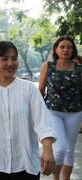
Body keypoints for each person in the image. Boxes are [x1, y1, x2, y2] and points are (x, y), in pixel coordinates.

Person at [0, 40, 56, 180]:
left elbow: (43, 123)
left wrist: (48, 150)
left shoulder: (29, 90)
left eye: (14, 58)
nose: (10, 63)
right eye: (4, 59)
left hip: (25, 165)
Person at [38, 36, 82, 180]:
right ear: (56, 49)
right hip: (53, 112)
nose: (65, 50)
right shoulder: (48, 66)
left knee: (69, 150)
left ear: (73, 50)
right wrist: (37, 112)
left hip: (75, 113)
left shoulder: (79, 68)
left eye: (69, 47)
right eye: (62, 46)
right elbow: (41, 89)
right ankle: (55, 178)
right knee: (60, 148)